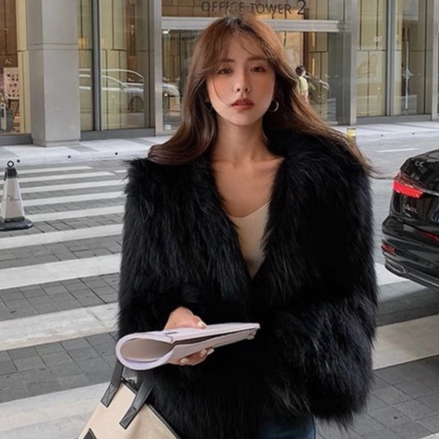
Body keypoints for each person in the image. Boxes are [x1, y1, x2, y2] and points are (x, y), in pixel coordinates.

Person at [119, 13, 377, 439]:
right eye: (224, 70)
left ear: (277, 80)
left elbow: (353, 296)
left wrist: (292, 347)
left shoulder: (331, 177)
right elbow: (138, 301)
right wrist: (174, 323)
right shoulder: (160, 182)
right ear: (203, 84)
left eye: (257, 68)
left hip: (284, 407)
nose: (241, 84)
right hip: (194, 411)